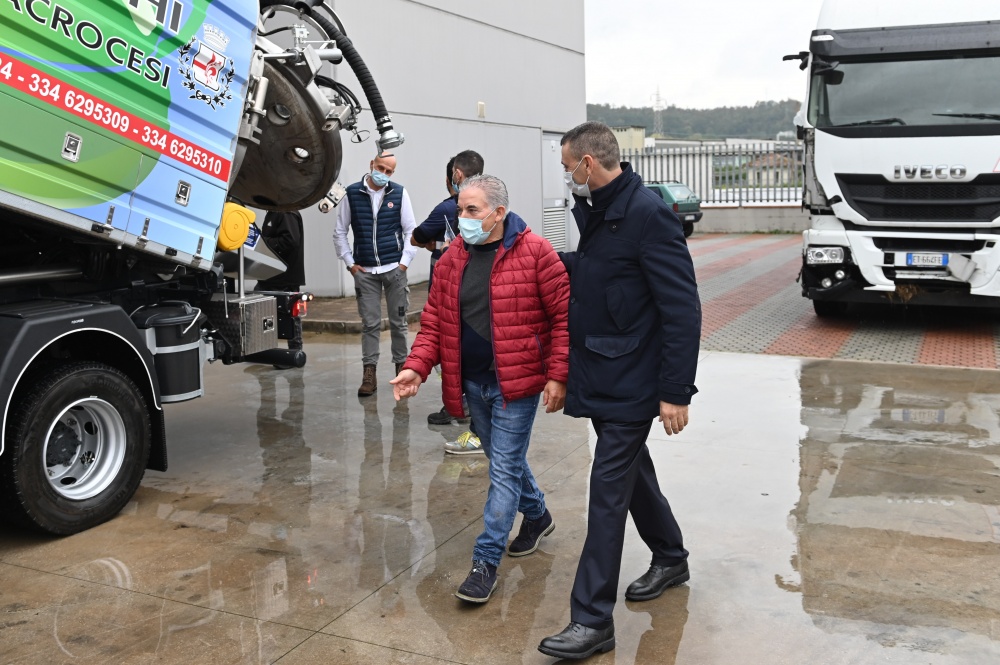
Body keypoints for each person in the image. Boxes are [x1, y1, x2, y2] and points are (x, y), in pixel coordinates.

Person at [537, 121, 701, 661]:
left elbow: (681, 308)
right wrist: (545, 261)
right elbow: (603, 275)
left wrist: (675, 390)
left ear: (589, 163)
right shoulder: (603, 210)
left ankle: (591, 619)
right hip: (604, 370)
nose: (566, 178)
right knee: (633, 475)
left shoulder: (647, 214)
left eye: (567, 168)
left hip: (633, 378)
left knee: (606, 491)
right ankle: (671, 556)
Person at [391, 174, 570, 603]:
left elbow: (564, 318)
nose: (463, 219)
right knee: (502, 459)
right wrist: (417, 366)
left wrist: (558, 374)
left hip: (518, 383)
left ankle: (485, 561)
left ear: (498, 213)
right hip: (472, 382)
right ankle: (538, 515)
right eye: (460, 211)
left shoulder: (537, 253)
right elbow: (434, 321)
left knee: (503, 469)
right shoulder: (454, 257)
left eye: (472, 210)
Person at [411, 150, 486, 427]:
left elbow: (417, 237)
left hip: (450, 293)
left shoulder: (446, 208)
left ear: (456, 176)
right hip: (479, 294)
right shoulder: (493, 206)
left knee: (451, 348)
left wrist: (435, 245)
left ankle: (459, 405)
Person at [333, 151, 417, 396]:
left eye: (389, 171)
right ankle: (369, 374)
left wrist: (404, 263)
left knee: (399, 324)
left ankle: (402, 370)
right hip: (366, 272)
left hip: (394, 271)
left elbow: (410, 229)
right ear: (372, 164)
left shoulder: (399, 193)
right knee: (370, 325)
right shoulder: (352, 193)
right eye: (381, 168)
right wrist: (351, 265)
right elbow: (340, 231)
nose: (384, 174)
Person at [256, 210, 306, 363]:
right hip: (270, 276)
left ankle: (295, 353)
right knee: (264, 314)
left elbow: (290, 240)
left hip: (284, 277)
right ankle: (268, 351)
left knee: (289, 315)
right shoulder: (273, 212)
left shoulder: (285, 212)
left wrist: (264, 242)